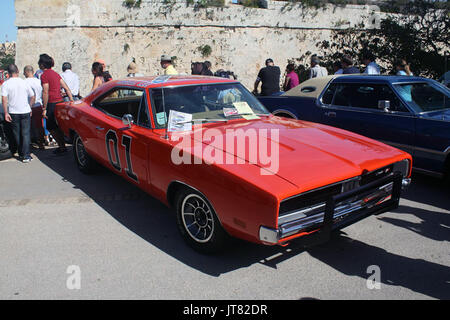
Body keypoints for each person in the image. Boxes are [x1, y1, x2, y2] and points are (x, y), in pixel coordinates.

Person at [39, 53, 74, 155]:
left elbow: (45, 91)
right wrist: (71, 100)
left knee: (51, 127)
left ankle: (61, 146)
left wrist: (44, 108)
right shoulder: (55, 74)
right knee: (58, 126)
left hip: (52, 103)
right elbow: (66, 88)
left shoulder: (44, 75)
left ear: (42, 64)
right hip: (60, 102)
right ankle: (62, 145)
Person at [1, 64, 35, 162]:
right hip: (25, 110)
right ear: (18, 71)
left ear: (8, 73)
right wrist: (30, 106)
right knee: (25, 133)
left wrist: (6, 112)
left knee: (17, 133)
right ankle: (26, 155)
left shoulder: (6, 84)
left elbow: (4, 99)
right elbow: (32, 96)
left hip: (13, 111)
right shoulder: (24, 83)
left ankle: (21, 152)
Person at [23, 65, 45, 150]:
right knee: (39, 125)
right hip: (39, 105)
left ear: (26, 72)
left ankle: (29, 143)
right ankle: (41, 143)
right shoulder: (39, 81)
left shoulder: (25, 82)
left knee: (28, 126)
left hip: (28, 106)